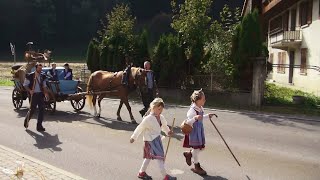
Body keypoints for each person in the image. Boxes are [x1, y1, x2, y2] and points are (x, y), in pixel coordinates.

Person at [130, 98, 176, 180]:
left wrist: (168, 132)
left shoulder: (161, 117)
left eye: (161, 109)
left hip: (156, 140)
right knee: (159, 158)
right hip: (150, 141)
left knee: (148, 158)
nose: (160, 111)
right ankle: (165, 176)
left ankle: (141, 172)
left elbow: (164, 126)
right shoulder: (148, 119)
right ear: (153, 107)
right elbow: (140, 127)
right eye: (159, 109)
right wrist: (134, 137)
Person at [182, 89, 216, 176]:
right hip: (194, 132)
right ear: (197, 100)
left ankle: (189, 154)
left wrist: (208, 116)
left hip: (199, 130)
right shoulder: (192, 110)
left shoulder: (200, 108)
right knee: (197, 149)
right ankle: (197, 166)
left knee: (201, 148)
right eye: (203, 99)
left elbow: (201, 117)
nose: (205, 100)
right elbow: (188, 122)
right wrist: (195, 118)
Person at [23, 63, 49, 131]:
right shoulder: (30, 76)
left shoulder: (42, 76)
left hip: (40, 94)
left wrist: (46, 93)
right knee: (32, 110)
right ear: (36, 68)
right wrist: (30, 90)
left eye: (41, 68)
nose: (40, 70)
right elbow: (25, 85)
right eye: (39, 68)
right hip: (33, 95)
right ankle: (26, 121)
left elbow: (44, 86)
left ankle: (39, 126)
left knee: (42, 109)